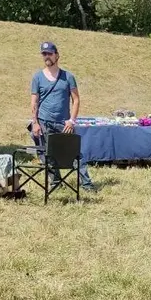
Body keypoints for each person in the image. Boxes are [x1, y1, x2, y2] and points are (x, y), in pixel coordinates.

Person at [30, 41, 95, 191]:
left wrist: (72, 120)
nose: (46, 56)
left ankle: (86, 184)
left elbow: (76, 99)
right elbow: (34, 101)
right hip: (44, 122)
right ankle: (56, 182)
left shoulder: (68, 77)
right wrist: (35, 122)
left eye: (49, 53)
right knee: (49, 155)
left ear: (57, 55)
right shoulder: (37, 77)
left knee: (75, 153)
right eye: (44, 54)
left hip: (64, 123)